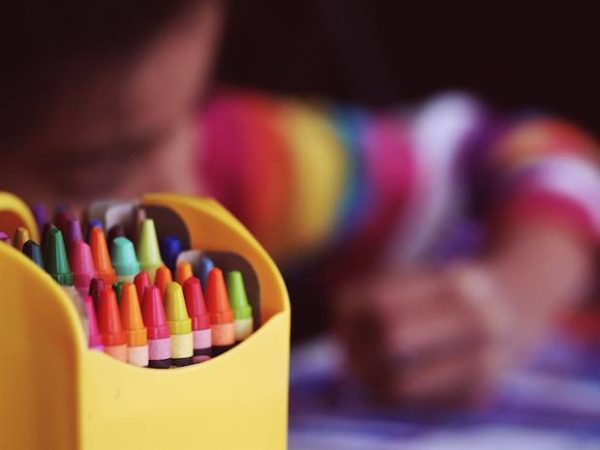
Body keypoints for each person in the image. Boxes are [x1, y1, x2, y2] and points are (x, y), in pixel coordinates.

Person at [1, 1, 598, 406]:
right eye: (98, 168)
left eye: (196, 103)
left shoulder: (231, 159)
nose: (184, 187)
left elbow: (523, 154)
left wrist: (513, 295)